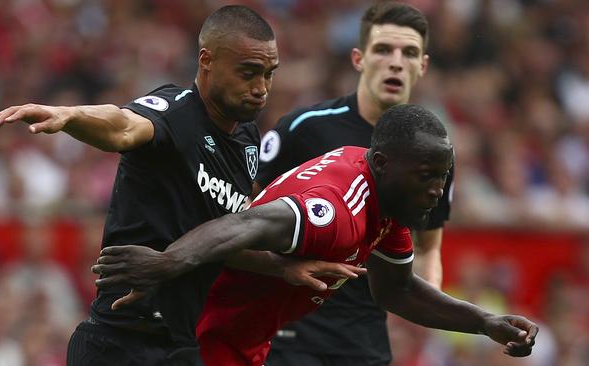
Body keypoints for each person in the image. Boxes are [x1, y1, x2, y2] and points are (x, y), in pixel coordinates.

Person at [0, 5, 363, 366]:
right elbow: (122, 125)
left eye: (269, 74)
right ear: (207, 61)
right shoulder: (175, 113)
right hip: (119, 342)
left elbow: (215, 238)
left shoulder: (248, 139)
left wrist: (281, 267)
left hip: (181, 346)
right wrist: (71, 116)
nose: (261, 88)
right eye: (248, 72)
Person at [92, 104, 539, 366]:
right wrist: (167, 263)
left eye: (442, 177)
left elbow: (396, 291)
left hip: (242, 341)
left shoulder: (386, 200)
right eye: (426, 176)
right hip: (204, 338)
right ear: (383, 164)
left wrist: (484, 322)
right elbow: (246, 223)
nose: (437, 190)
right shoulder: (338, 209)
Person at [255, 2, 450, 364]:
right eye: (383, 50)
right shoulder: (304, 128)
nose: (395, 62)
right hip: (292, 331)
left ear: (422, 66)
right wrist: (280, 269)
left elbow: (426, 248)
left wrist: (424, 301)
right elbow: (247, 215)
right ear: (359, 58)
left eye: (409, 53)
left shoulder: (433, 155)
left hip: (365, 338)